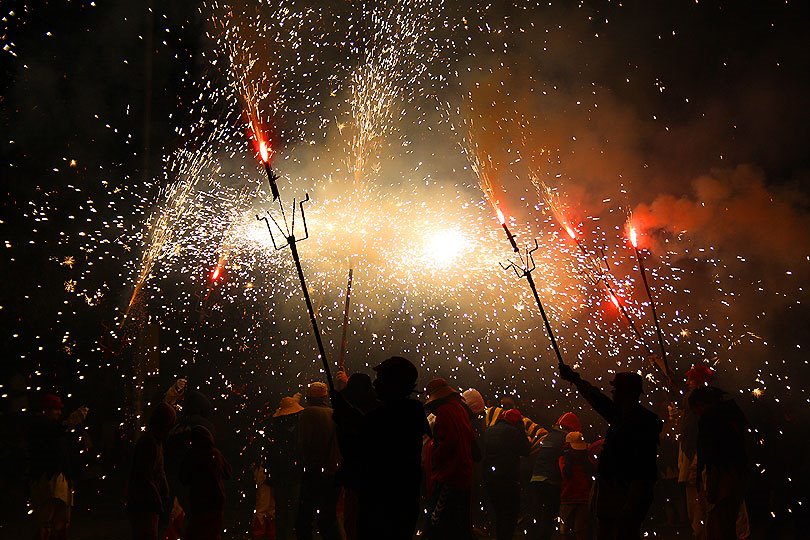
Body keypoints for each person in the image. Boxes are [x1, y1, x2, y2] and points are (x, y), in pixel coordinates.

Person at [559, 365, 662, 540]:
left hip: (623, 493)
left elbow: (598, 400)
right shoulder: (643, 419)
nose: (612, 394)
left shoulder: (629, 419)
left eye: (615, 390)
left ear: (625, 393)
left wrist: (575, 379)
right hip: (628, 492)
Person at [333, 356, 430, 540]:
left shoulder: (395, 415)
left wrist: (345, 412)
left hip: (386, 506)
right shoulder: (408, 412)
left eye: (382, 378)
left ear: (395, 383)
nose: (376, 382)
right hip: (398, 505)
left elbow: (369, 438)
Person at [688, 386, 749, 540]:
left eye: (696, 410)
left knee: (719, 528)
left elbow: (713, 454)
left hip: (724, 478)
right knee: (726, 525)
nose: (697, 414)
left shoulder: (711, 419)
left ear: (701, 404)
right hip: (736, 474)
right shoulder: (729, 414)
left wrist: (711, 485)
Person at [27, 394, 88, 540]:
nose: (59, 412)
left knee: (62, 520)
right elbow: (53, 431)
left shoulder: (54, 427)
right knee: (46, 520)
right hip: (45, 478)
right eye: (55, 410)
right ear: (45, 410)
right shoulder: (39, 425)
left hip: (62, 477)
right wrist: (68, 423)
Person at [423, 377, 476, 540]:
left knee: (436, 524)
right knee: (459, 527)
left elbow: (449, 442)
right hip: (462, 477)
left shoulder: (445, 412)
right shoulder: (460, 409)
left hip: (449, 477)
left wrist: (435, 460)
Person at [296, 382, 341, 540]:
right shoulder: (334, 413)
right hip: (333, 473)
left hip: (314, 471)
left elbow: (304, 444)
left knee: (304, 519)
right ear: (325, 397)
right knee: (328, 518)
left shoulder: (307, 414)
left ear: (308, 398)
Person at [127, 402, 177, 540]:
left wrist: (164, 490)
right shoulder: (148, 442)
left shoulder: (157, 442)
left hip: (149, 502)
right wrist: (156, 499)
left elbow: (159, 471)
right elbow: (144, 476)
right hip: (142, 503)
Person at [529, 411, 581, 540]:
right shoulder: (566, 440)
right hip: (550, 482)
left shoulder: (549, 436)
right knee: (548, 517)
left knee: (537, 516)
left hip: (536, 479)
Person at [482, 408, 531, 540]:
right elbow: (526, 450)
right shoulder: (514, 432)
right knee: (510, 514)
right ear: (517, 422)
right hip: (508, 479)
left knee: (497, 513)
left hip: (490, 479)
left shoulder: (488, 431)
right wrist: (521, 431)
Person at [180, 425, 231, 540]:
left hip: (199, 504)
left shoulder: (192, 455)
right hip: (217, 503)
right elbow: (228, 473)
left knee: (196, 534)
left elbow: (183, 478)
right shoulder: (215, 453)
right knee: (213, 534)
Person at [264, 395, 305, 540]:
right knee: (292, 509)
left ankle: (282, 536)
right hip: (294, 474)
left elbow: (270, 452)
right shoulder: (298, 429)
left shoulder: (275, 427)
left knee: (281, 509)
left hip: (279, 475)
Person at [558, 432, 594, 540]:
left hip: (577, 499)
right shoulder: (565, 460)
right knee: (570, 530)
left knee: (576, 530)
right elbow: (566, 474)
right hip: (571, 498)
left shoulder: (586, 461)